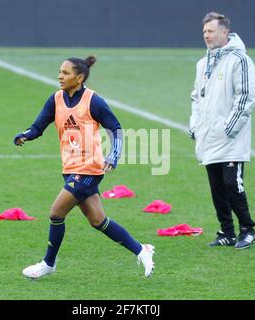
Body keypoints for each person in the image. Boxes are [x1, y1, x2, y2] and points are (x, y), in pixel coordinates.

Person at [13, 56, 155, 278]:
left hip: (89, 169)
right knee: (98, 220)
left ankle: (48, 264)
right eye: (60, 71)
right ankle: (141, 250)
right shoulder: (56, 99)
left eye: (66, 73)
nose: (60, 76)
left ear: (79, 78)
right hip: (70, 168)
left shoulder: (93, 101)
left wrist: (113, 156)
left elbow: (115, 128)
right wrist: (25, 135)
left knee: (56, 212)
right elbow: (38, 126)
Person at [188, 12, 255, 249]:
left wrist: (229, 128)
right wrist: (195, 125)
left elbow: (246, 97)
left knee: (232, 183)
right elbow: (196, 97)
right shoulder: (202, 63)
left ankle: (247, 229)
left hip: (231, 138)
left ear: (225, 32)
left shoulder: (240, 60)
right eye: (204, 31)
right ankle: (226, 232)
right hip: (208, 137)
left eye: (211, 31)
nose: (206, 35)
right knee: (217, 186)